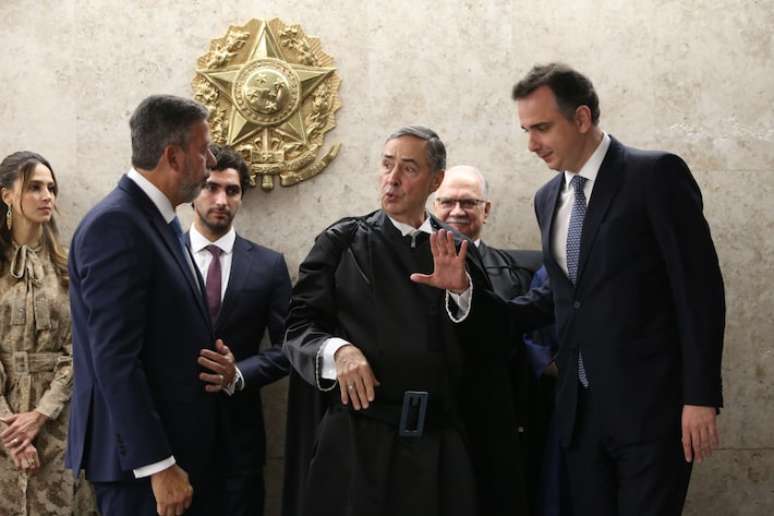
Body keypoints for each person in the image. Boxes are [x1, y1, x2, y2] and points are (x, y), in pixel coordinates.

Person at [415, 63, 726, 516]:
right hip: (579, 418)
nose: (531, 144)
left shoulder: (655, 174)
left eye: (542, 128)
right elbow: (554, 302)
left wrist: (700, 397)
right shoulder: (547, 198)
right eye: (526, 129)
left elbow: (699, 293)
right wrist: (464, 292)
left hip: (654, 413)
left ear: (581, 118)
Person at [283, 126, 527, 516]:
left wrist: (462, 293)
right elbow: (298, 329)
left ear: (435, 180)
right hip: (358, 442)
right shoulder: (342, 241)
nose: (392, 179)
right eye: (386, 165)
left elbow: (493, 345)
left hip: (442, 446)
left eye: (409, 169)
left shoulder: (458, 249)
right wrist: (338, 350)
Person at [66, 94, 239, 516]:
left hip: (173, 454)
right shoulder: (117, 224)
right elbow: (114, 358)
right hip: (141, 472)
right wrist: (157, 465)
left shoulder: (156, 219)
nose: (211, 158)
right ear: (173, 157)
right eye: (204, 150)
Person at [433, 165, 570, 516]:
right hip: (433, 421)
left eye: (469, 202)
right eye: (448, 201)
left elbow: (532, 334)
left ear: (486, 209)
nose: (457, 211)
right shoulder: (406, 265)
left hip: (502, 421)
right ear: (434, 204)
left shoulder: (519, 271)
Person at [187, 144, 292, 516]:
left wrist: (239, 374)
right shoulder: (163, 256)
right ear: (191, 193)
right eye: (211, 187)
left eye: (232, 190)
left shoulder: (269, 265)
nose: (221, 199)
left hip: (239, 443)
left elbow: (289, 348)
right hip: (172, 440)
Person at [0, 151, 96, 515]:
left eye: (51, 188)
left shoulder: (68, 266)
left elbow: (81, 348)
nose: (47, 196)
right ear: (7, 195)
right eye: (35, 187)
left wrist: (41, 413)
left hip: (59, 420)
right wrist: (10, 430)